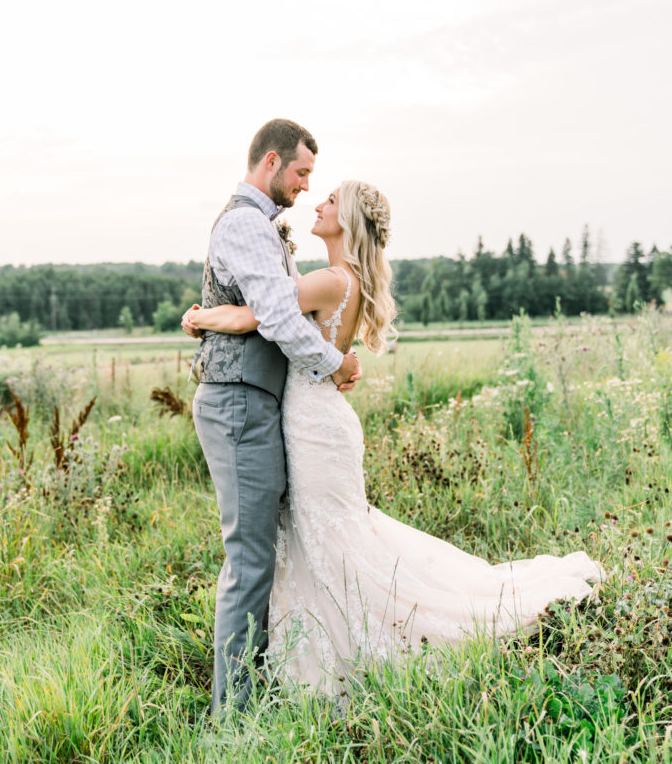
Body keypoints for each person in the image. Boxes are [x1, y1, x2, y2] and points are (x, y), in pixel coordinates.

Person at [185, 179, 605, 696]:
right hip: (319, 419)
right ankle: (320, 645)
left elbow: (257, 314)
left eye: (332, 201)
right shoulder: (347, 279)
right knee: (328, 536)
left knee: (332, 540)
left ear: (350, 221)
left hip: (313, 425)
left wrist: (200, 316)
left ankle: (359, 645)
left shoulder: (329, 282)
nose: (319, 204)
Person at [184, 119, 361, 713]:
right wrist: (334, 363)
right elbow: (281, 319)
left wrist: (205, 316)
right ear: (270, 163)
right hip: (237, 400)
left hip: (258, 403)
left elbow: (264, 315)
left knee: (263, 550)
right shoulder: (244, 224)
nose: (307, 186)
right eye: (302, 172)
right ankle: (231, 713)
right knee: (251, 556)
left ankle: (262, 684)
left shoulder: (261, 227)